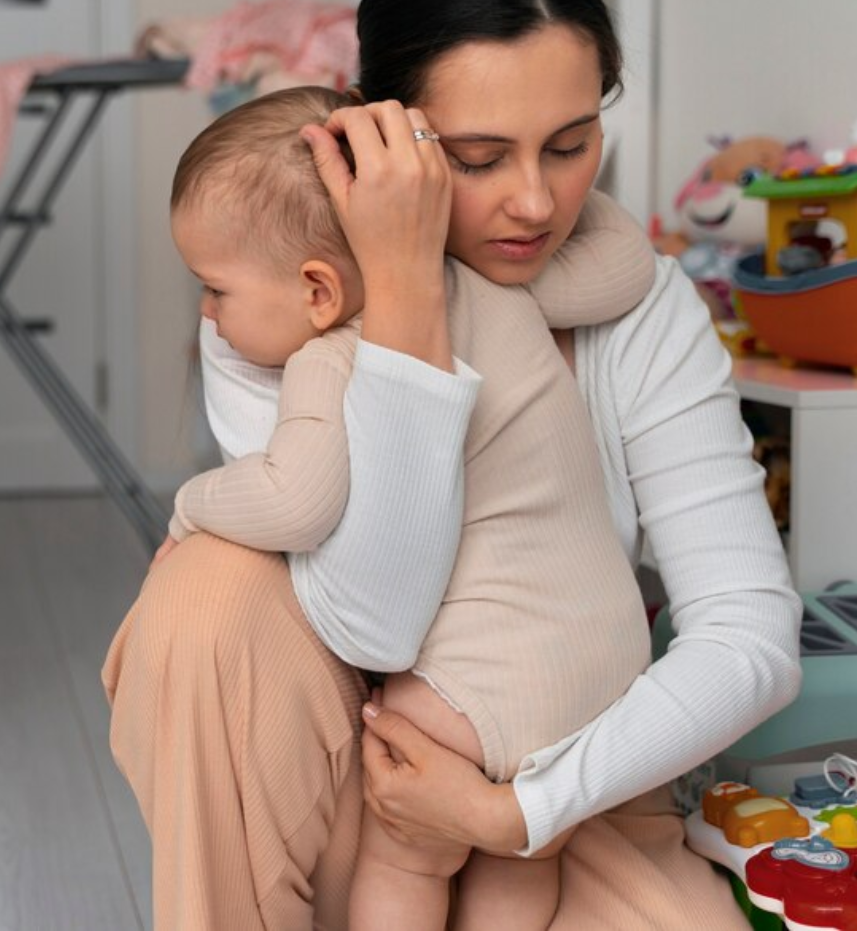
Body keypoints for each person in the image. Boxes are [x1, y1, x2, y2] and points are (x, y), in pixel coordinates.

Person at [103, 0, 802, 930]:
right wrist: (401, 304)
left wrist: (518, 808)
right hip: (357, 764)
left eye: (570, 145)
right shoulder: (283, 301)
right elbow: (373, 620)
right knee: (205, 595)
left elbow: (749, 635)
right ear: (376, 132)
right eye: (478, 157)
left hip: (561, 773)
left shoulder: (633, 303)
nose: (534, 201)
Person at [160, 82, 657, 930]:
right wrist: (451, 203)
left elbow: (296, 500)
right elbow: (628, 263)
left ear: (319, 293)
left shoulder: (330, 359)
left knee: (405, 855)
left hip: (478, 685)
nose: (207, 314)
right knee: (516, 857)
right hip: (611, 656)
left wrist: (190, 505)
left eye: (215, 290)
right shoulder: (495, 282)